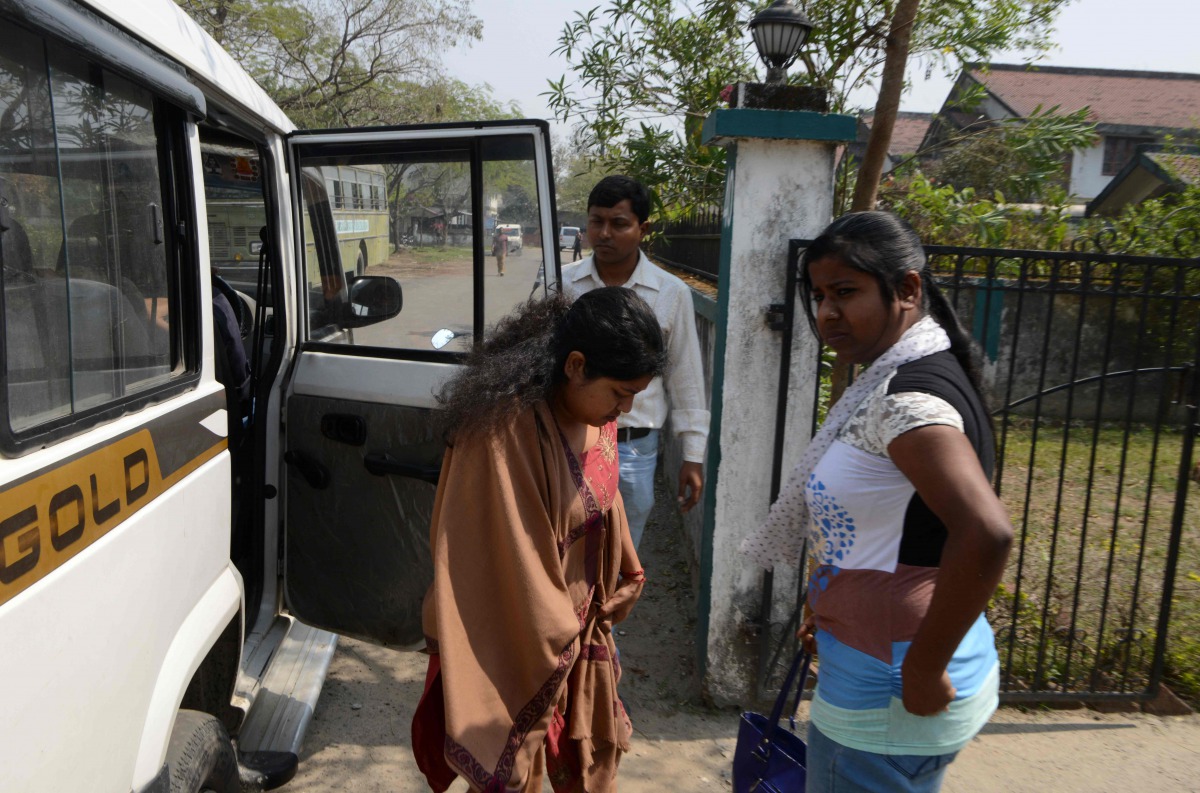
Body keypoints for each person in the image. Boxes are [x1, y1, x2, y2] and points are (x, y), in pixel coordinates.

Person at [741, 211, 1014, 793]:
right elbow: (896, 527)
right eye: (818, 295)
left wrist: (922, 668)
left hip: (887, 693)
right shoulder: (906, 373)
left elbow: (985, 533)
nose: (827, 312)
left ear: (907, 289)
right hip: (887, 661)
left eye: (846, 292)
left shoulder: (907, 401)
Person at [411, 287, 667, 793]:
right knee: (515, 761)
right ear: (575, 365)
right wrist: (560, 642)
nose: (626, 409)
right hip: (523, 635)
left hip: (572, 626)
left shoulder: (591, 411)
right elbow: (511, 567)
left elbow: (603, 501)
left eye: (635, 395)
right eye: (619, 392)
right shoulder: (501, 434)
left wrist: (622, 572)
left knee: (583, 761)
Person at [561, 175, 709, 549]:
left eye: (619, 223)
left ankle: (609, 608)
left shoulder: (670, 294)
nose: (605, 233)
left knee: (620, 548)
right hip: (568, 439)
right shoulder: (563, 284)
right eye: (597, 221)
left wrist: (693, 455)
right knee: (564, 540)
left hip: (634, 447)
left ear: (643, 229)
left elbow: (685, 376)